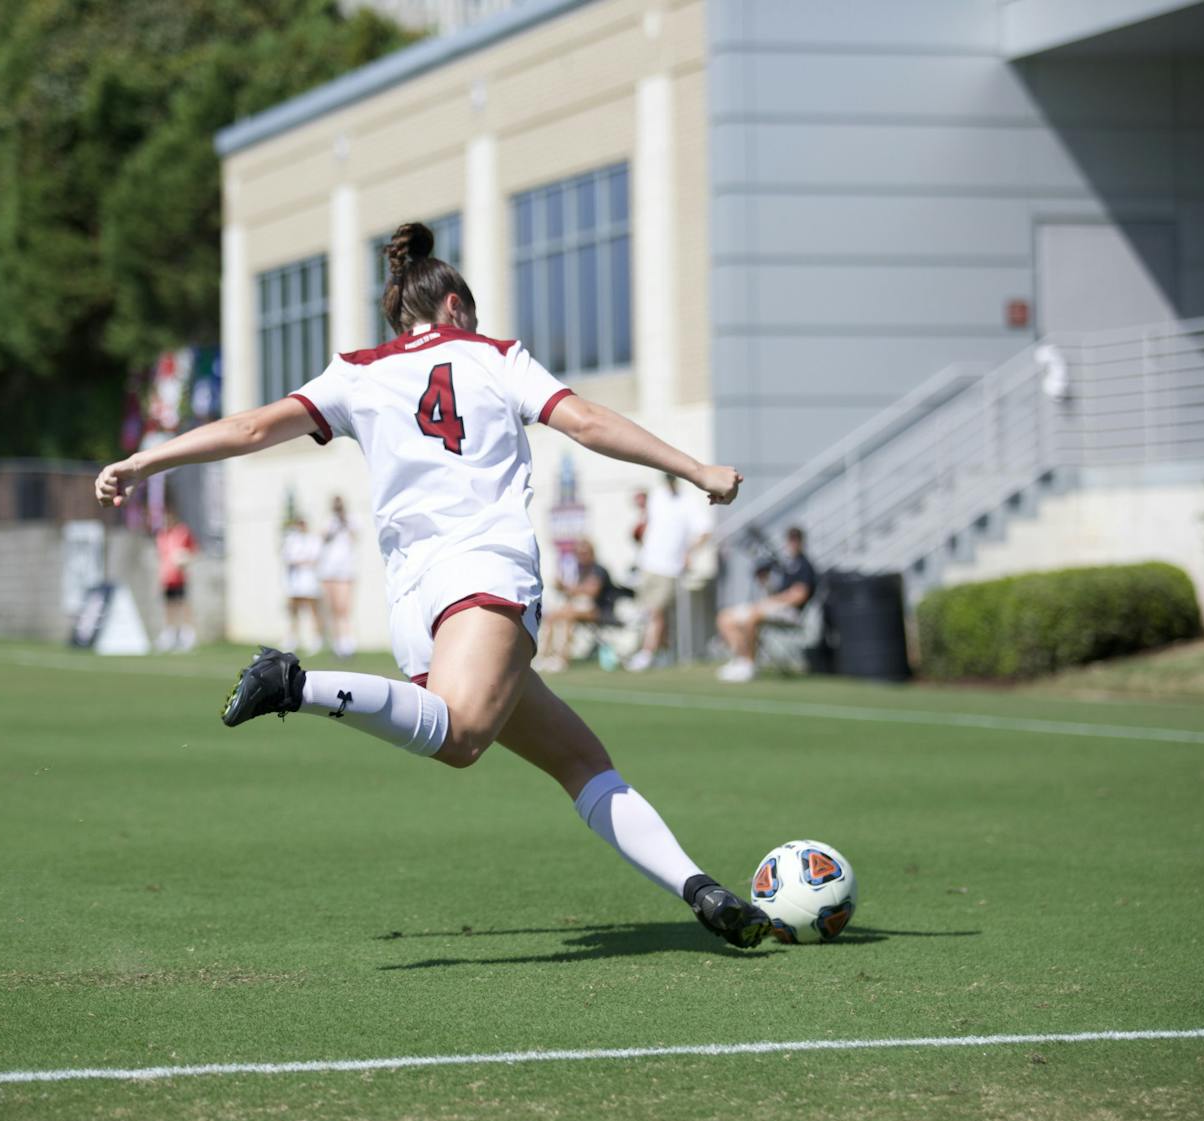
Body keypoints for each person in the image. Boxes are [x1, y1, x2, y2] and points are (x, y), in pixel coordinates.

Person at [93, 221, 770, 950]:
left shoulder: (356, 372)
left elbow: (254, 428)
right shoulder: (497, 356)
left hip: (414, 600)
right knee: (463, 738)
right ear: (453, 306)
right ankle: (294, 684)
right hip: (483, 568)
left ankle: (700, 890)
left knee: (580, 760)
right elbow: (586, 420)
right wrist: (695, 468)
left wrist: (145, 461)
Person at [624, 475, 711, 672]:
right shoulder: (657, 496)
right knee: (650, 613)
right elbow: (645, 522)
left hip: (670, 567)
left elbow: (705, 531)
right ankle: (662, 652)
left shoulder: (688, 501)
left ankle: (646, 654)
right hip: (647, 564)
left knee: (656, 611)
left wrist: (689, 553)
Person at [715, 526, 818, 683]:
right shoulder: (786, 565)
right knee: (725, 618)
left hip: (791, 613)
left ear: (801, 541)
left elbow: (799, 595)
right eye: (790, 539)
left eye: (796, 539)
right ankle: (740, 659)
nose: (793, 543)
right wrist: (765, 582)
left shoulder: (805, 565)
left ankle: (748, 665)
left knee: (753, 616)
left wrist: (774, 602)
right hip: (772, 607)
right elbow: (775, 591)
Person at [535, 540, 617, 673]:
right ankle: (545, 656)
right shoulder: (577, 570)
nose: (581, 556)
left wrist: (567, 588)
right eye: (578, 553)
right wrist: (563, 587)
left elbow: (591, 592)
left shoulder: (598, 570)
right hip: (579, 608)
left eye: (584, 553)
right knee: (552, 616)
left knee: (568, 616)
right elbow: (575, 592)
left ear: (592, 553)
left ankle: (562, 658)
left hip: (600, 610)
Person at [318, 495, 357, 658]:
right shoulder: (329, 520)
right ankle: (337, 642)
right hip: (328, 569)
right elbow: (322, 537)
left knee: (343, 608)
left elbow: (354, 537)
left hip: (345, 570)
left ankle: (348, 642)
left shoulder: (351, 520)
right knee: (333, 608)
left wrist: (344, 522)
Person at [155, 508, 198, 652]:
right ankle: (170, 635)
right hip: (166, 577)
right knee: (169, 606)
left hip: (179, 576)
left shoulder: (182, 532)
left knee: (183, 605)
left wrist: (185, 559)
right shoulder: (161, 535)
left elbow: (193, 549)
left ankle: (187, 635)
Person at [281, 518, 323, 652]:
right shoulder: (291, 540)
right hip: (294, 581)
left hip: (309, 580)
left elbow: (314, 558)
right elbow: (288, 557)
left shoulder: (313, 540)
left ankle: (316, 640)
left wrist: (300, 560)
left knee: (313, 610)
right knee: (293, 611)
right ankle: (292, 639)